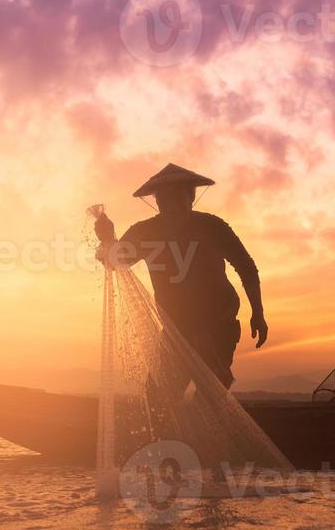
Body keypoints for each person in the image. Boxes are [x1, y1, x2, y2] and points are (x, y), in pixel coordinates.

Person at [95, 164, 266, 388]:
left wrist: (258, 312)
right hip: (177, 331)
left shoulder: (212, 227)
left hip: (218, 324)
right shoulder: (146, 232)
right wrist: (107, 239)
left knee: (213, 393)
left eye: (178, 197)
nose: (172, 205)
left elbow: (246, 267)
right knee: (159, 397)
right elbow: (115, 262)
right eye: (165, 199)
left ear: (191, 197)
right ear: (157, 202)